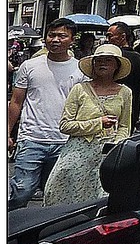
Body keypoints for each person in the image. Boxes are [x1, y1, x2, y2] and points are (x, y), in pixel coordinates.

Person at [8, 18, 87, 209]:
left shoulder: (81, 69)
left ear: (72, 39)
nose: (55, 40)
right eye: (52, 35)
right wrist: (8, 133)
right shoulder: (30, 65)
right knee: (23, 190)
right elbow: (16, 102)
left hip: (65, 141)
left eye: (62, 36)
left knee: (55, 194)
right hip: (31, 138)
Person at [43, 43, 133, 206]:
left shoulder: (125, 92)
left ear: (116, 66)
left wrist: (117, 145)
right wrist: (98, 123)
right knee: (63, 196)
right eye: (98, 61)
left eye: (108, 60)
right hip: (77, 152)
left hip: (107, 154)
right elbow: (65, 125)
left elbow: (124, 126)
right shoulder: (79, 89)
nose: (102, 64)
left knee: (100, 199)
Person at [105, 22, 140, 134]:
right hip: (131, 112)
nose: (107, 39)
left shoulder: (111, 57)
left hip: (109, 111)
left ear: (123, 36)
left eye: (110, 35)